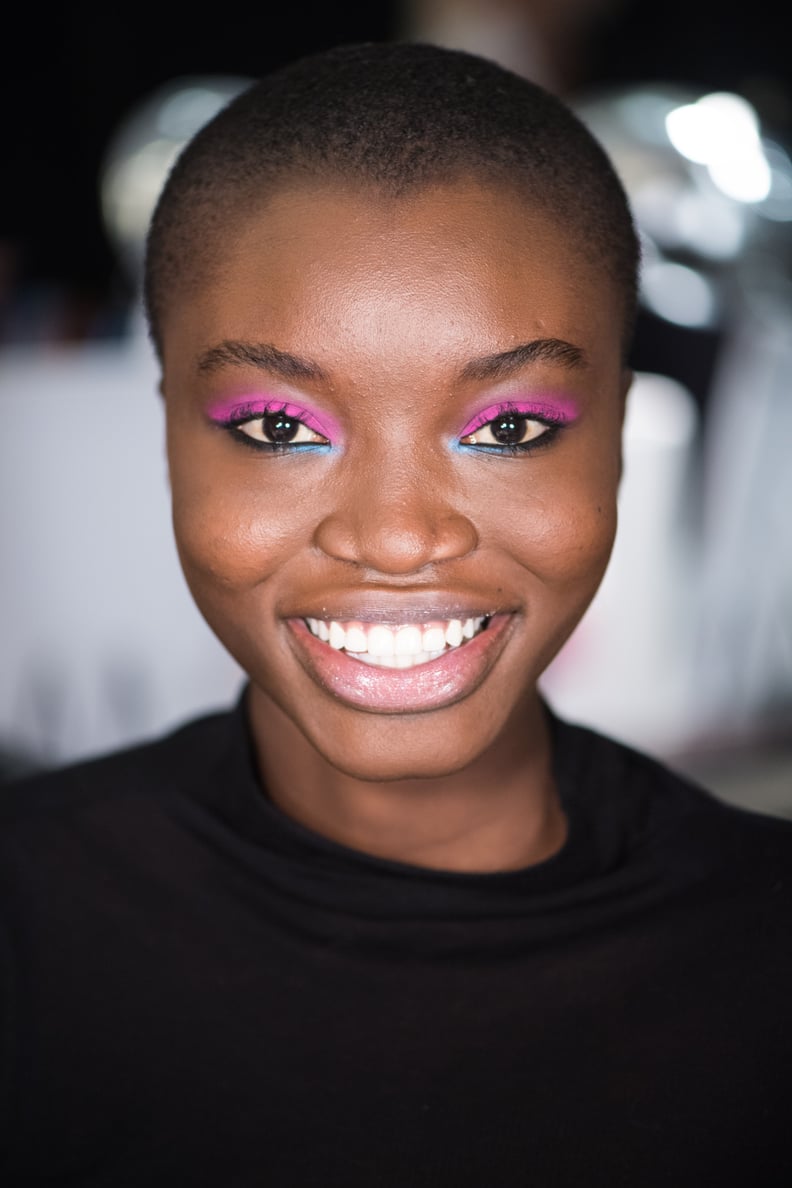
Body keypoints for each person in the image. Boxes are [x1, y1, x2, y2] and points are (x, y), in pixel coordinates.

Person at [1, 41, 790, 1187]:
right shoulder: (28, 931)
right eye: (279, 428)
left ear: (620, 429)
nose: (397, 535)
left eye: (509, 428)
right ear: (166, 417)